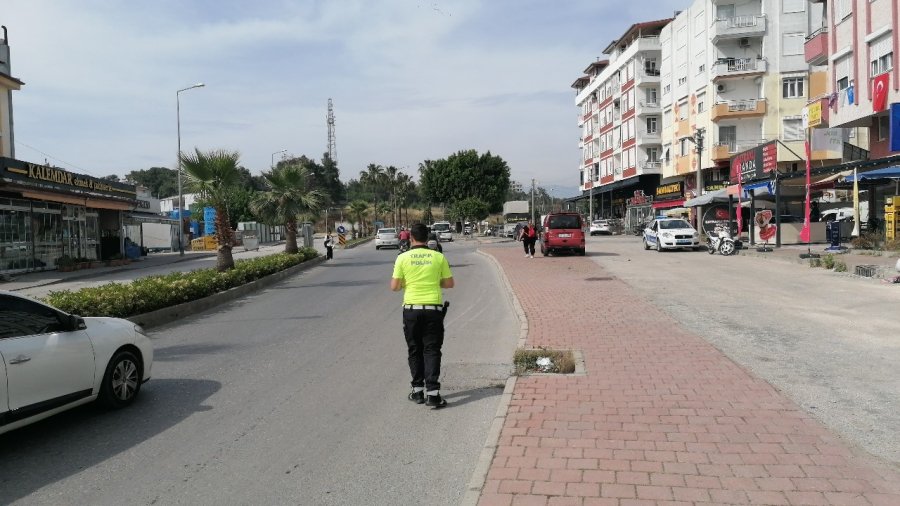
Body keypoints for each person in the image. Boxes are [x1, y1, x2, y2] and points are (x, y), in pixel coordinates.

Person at [391, 223, 454, 408]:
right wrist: (434, 282)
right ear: (428, 238)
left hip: (411, 309)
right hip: (433, 309)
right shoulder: (438, 257)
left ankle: (417, 391)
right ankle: (433, 395)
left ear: (410, 238)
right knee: (432, 350)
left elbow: (394, 287)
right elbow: (449, 283)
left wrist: (407, 283)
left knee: (415, 349)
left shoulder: (402, 258)